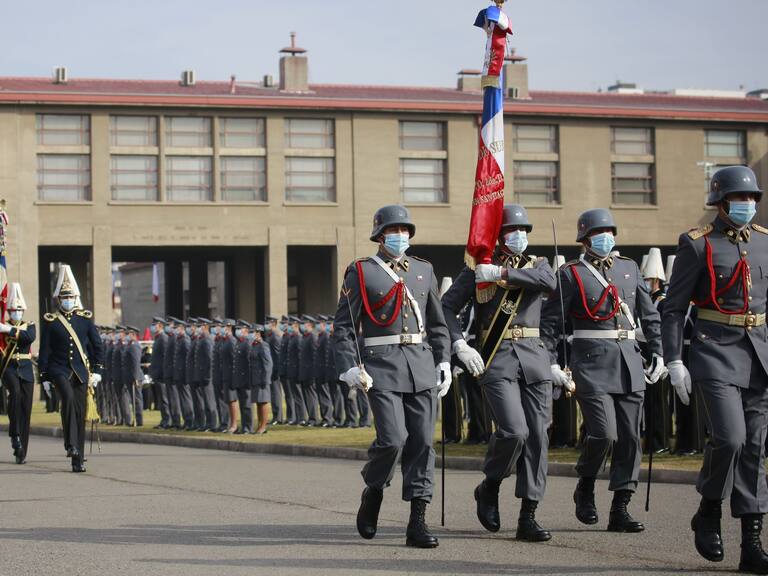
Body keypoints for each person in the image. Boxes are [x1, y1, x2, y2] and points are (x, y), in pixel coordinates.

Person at [662, 166, 768, 572]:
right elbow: (673, 309)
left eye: (752, 199)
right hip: (715, 352)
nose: (747, 205)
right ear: (721, 203)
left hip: (758, 353)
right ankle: (708, 509)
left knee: (756, 450)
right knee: (731, 438)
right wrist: (674, 359)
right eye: (739, 199)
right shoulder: (696, 245)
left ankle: (751, 543)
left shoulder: (763, 244)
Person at [333, 204, 451, 548]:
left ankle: (417, 521)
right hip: (381, 366)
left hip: (422, 365)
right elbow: (343, 327)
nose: (400, 236)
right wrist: (349, 367)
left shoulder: (424, 270)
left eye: (405, 230)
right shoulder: (362, 271)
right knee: (393, 439)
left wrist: (443, 362)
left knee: (422, 444)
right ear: (380, 235)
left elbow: (438, 324)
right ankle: (373, 489)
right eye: (393, 230)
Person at [540, 208, 665, 533]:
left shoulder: (628, 267)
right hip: (591, 362)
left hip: (629, 361)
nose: (605, 238)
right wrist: (552, 362)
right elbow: (551, 323)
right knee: (603, 432)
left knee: (630, 438)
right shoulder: (570, 273)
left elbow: (648, 314)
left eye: (609, 232)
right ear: (585, 239)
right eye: (598, 233)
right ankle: (586, 483)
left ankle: (620, 506)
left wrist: (660, 354)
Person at [441, 204, 558, 541]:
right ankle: (490, 485)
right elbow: (447, 306)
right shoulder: (478, 268)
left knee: (537, 435)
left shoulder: (539, 265)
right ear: (499, 235)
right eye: (511, 230)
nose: (519, 235)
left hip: (534, 359)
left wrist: (502, 276)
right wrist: (459, 344)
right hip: (497, 357)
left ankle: (528, 516)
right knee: (514, 431)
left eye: (523, 230)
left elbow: (548, 281)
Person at [38, 265, 103, 472]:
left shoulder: (84, 320)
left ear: (75, 298)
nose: (68, 300)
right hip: (59, 369)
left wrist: (98, 370)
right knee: (66, 398)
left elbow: (97, 346)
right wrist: (45, 377)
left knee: (79, 411)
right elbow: (45, 350)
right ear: (59, 299)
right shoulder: (51, 322)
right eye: (64, 297)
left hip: (81, 372)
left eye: (71, 296)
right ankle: (70, 444)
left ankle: (78, 459)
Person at [639, 248, 672, 455]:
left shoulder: (662, 302)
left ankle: (660, 441)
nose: (646, 282)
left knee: (659, 401)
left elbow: (663, 329)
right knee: (650, 402)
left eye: (649, 279)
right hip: (646, 354)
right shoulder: (648, 301)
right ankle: (651, 441)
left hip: (659, 355)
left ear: (657, 280)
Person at [0, 283, 36, 464]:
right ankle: (15, 434)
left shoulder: (30, 325)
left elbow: (29, 338)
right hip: (10, 368)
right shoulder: (2, 326)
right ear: (9, 312)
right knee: (14, 393)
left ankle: (22, 450)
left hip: (26, 370)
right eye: (14, 310)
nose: (17, 313)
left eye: (20, 310)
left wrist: (10, 330)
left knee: (26, 410)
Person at [249, 324, 273, 434]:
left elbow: (268, 363)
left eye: (253, 332)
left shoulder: (263, 345)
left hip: (262, 378)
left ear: (258, 333)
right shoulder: (253, 345)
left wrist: (266, 379)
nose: (251, 334)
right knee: (258, 402)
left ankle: (263, 426)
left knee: (263, 402)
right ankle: (259, 425)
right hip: (254, 378)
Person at [194, 319, 218, 431]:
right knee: (205, 401)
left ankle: (212, 424)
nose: (197, 328)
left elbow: (210, 359)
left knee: (209, 402)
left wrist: (209, 375)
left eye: (199, 326)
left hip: (207, 376)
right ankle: (207, 424)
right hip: (201, 375)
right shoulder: (202, 339)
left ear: (205, 327)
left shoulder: (207, 340)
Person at [149, 317, 171, 429]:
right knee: (160, 400)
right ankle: (164, 420)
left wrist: (162, 373)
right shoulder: (158, 338)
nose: (153, 327)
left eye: (155, 325)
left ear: (161, 326)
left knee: (164, 399)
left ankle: (167, 420)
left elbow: (165, 358)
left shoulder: (163, 338)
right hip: (157, 374)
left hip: (162, 375)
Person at [232, 320, 253, 434]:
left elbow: (250, 363)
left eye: (240, 329)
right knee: (242, 405)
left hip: (246, 380)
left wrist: (249, 380)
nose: (238, 331)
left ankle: (248, 427)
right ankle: (244, 425)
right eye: (237, 329)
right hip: (239, 380)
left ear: (246, 330)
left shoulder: (248, 343)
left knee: (247, 405)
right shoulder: (238, 342)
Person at [121, 326, 144, 427]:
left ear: (133, 335)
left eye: (129, 334)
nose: (127, 336)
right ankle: (135, 419)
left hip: (135, 376)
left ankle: (139, 420)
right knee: (134, 399)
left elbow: (135, 363)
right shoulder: (129, 345)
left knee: (137, 399)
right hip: (129, 376)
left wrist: (135, 377)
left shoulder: (134, 346)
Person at [163, 318, 183, 430]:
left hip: (173, 373)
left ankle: (177, 421)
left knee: (175, 399)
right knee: (171, 398)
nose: (169, 327)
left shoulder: (174, 338)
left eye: (170, 325)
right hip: (169, 373)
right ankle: (173, 420)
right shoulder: (171, 338)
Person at [265, 315, 284, 425]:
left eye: (268, 323)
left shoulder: (275, 337)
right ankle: (276, 416)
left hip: (274, 370)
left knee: (276, 393)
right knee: (273, 393)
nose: (266, 325)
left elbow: (277, 355)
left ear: (273, 324)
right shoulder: (270, 335)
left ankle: (278, 417)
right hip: (271, 369)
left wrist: (276, 371)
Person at [220, 319, 239, 433]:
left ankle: (234, 424)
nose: (222, 328)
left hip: (231, 376)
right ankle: (231, 423)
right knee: (228, 400)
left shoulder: (231, 341)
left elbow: (234, 360)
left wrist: (233, 376)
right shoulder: (225, 340)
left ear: (229, 327)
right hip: (226, 375)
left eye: (224, 326)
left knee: (232, 400)